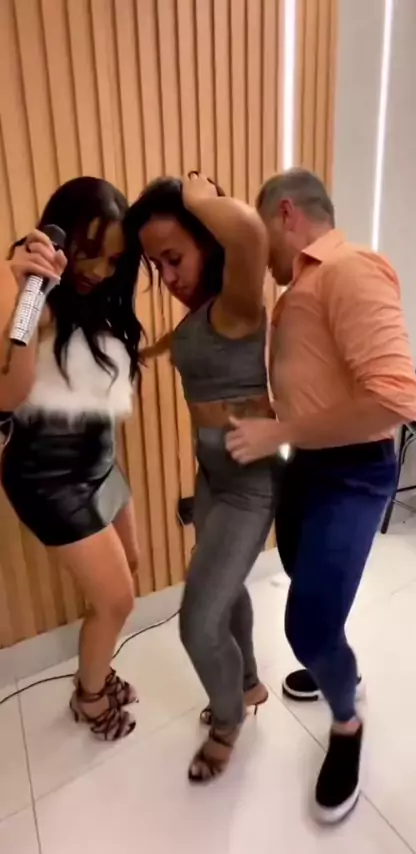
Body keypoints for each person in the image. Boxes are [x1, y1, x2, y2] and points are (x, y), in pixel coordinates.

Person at [226, 168, 416, 822]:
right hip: (307, 465)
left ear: (286, 214)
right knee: (303, 580)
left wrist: (279, 431)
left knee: (306, 624)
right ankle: (341, 667)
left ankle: (347, 721)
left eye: (261, 233)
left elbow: (396, 400)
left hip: (354, 471)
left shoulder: (350, 269)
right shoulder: (300, 287)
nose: (260, 254)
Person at [125, 173, 276, 783]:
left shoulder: (239, 305)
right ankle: (248, 681)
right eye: (156, 265)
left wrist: (195, 198)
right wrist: (146, 353)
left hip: (249, 485)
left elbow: (250, 234)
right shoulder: (200, 318)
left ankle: (228, 720)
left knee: (196, 621)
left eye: (174, 257)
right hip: (212, 476)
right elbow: (183, 338)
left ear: (208, 243)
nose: (168, 276)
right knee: (227, 589)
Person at [0, 177, 143, 741]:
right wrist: (23, 292)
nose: (100, 271)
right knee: (116, 599)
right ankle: (90, 697)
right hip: (48, 477)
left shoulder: (102, 298)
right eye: (90, 252)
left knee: (129, 569)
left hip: (100, 458)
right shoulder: (29, 295)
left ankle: (96, 670)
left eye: (114, 260)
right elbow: (8, 393)